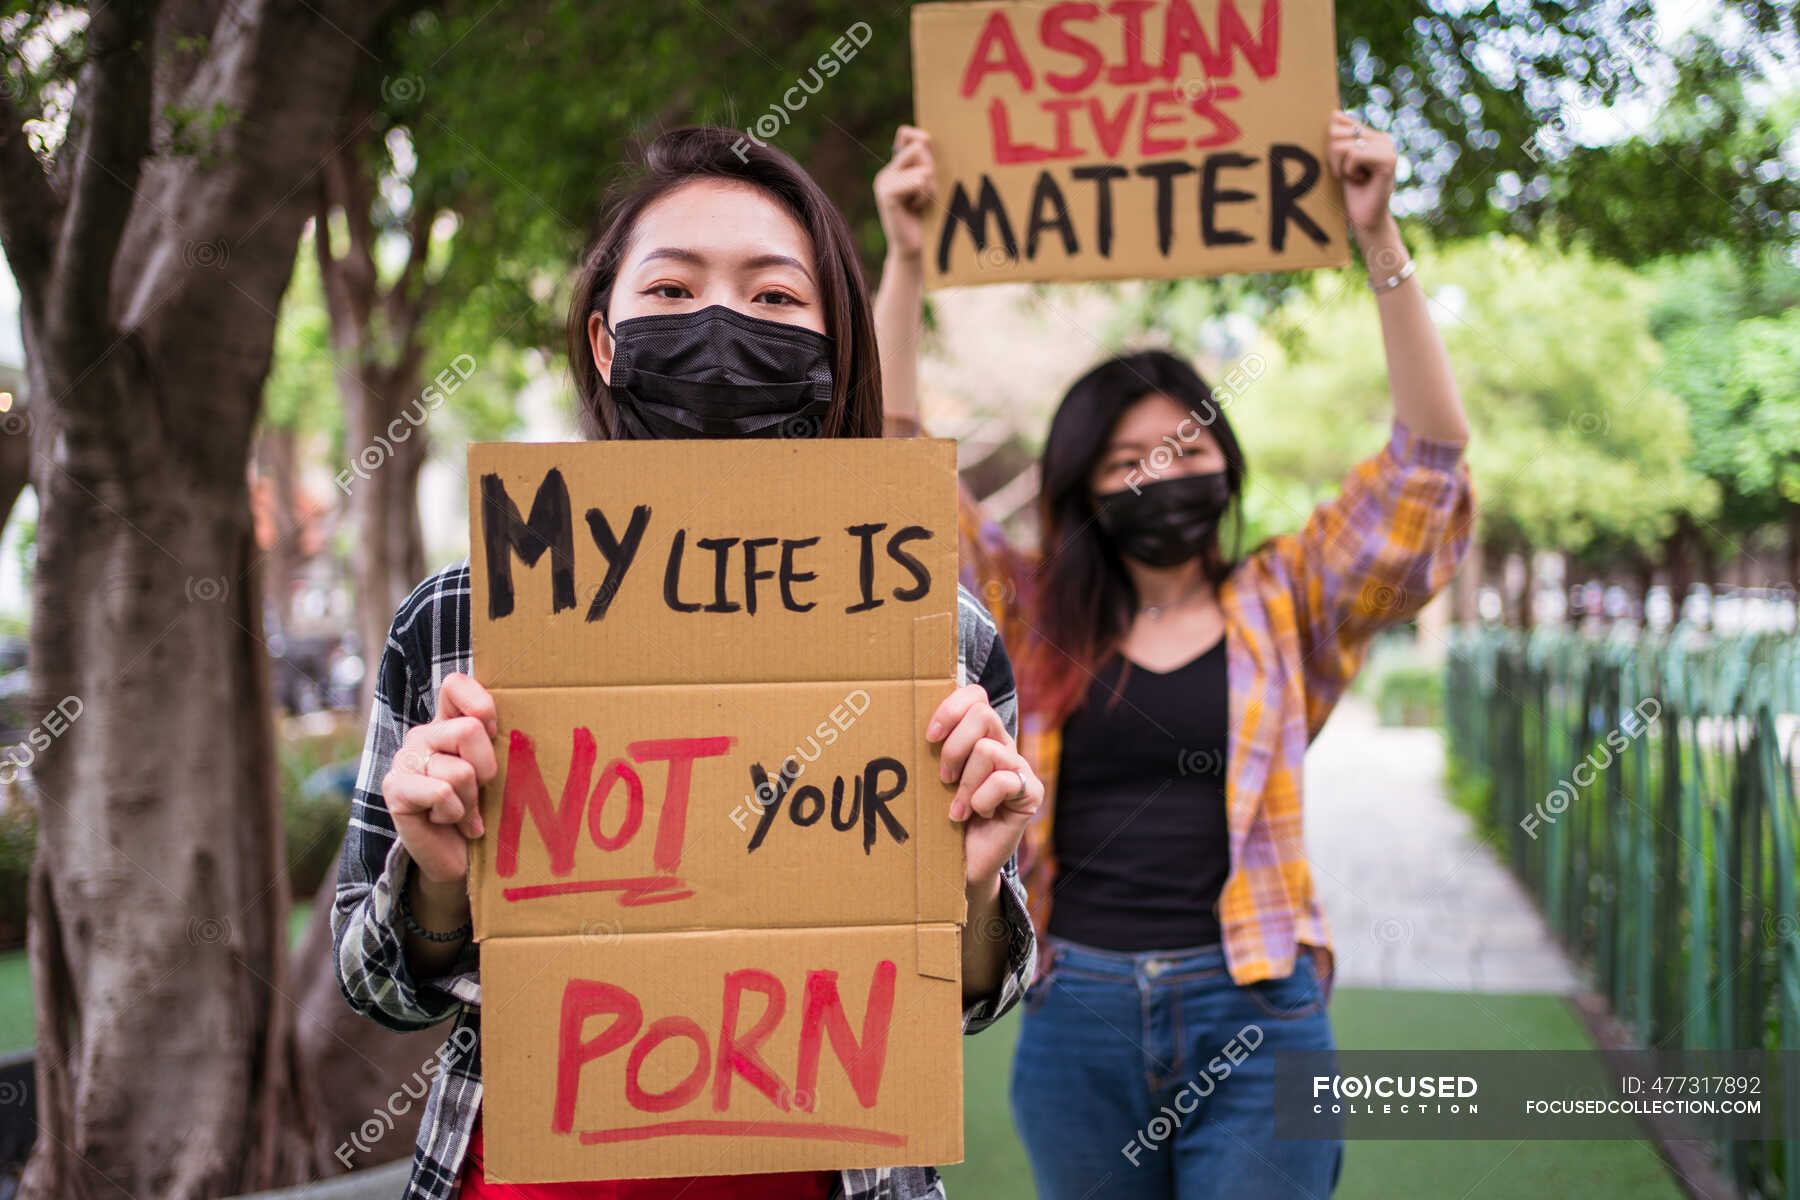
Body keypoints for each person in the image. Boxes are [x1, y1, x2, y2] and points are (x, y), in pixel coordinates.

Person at [331, 126, 1044, 1200]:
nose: (719, 324)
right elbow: (380, 987)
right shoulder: (460, 617)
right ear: (606, 343)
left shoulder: (937, 633)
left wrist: (978, 888)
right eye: (669, 292)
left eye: (772, 299)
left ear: (834, 347)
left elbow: (977, 999)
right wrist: (436, 878)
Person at [872, 116, 1476, 1199]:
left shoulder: (1286, 601)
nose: (1163, 472)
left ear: (1227, 466)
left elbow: (1426, 471)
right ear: (1081, 487)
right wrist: (908, 259)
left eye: (1187, 446)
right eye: (1127, 458)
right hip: (1076, 1015)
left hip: (1258, 1006)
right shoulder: (1026, 610)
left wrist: (1379, 239)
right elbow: (887, 466)